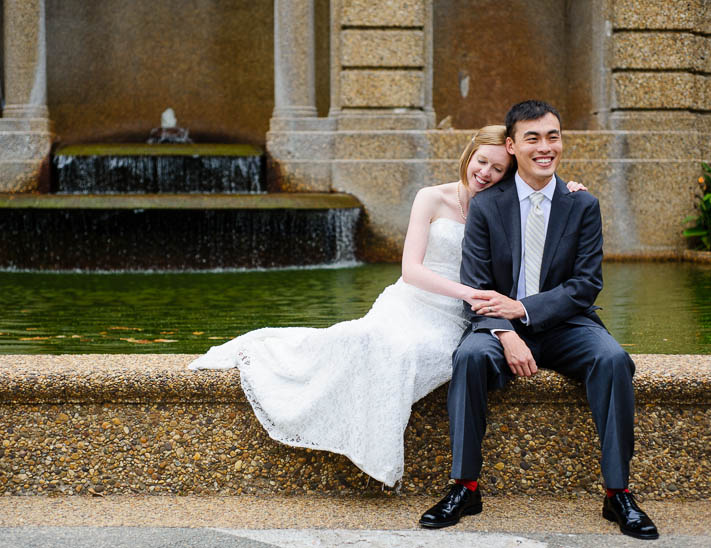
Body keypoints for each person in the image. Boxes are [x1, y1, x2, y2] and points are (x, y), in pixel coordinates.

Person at [187, 126, 584, 487]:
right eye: (482, 161)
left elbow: (545, 208)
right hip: (410, 302)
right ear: (469, 154)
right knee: (359, 337)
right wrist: (466, 292)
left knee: (408, 354)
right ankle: (269, 353)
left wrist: (569, 192)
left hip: (451, 321)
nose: (486, 173)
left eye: (498, 169)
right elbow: (410, 270)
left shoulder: (506, 207)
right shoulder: (431, 197)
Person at [418, 100, 659, 541]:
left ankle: (617, 494)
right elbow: (476, 284)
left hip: (568, 324)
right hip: (497, 326)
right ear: (513, 146)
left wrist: (525, 309)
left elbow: (586, 284)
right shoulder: (488, 206)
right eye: (533, 138)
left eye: (553, 136)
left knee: (614, 360)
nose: (545, 147)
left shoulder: (582, 204)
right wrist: (507, 332)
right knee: (470, 357)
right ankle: (464, 488)